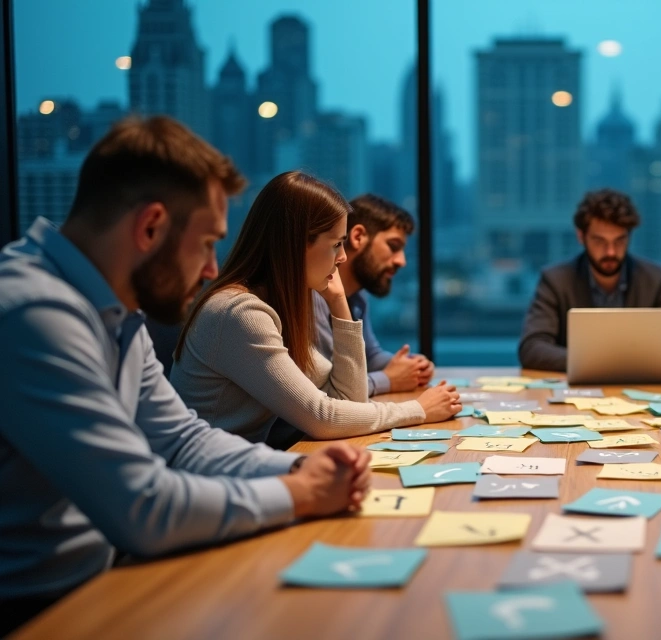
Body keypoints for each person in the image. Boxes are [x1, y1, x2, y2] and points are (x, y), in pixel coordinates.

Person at [0, 116, 370, 634]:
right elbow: (141, 505)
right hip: (39, 610)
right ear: (150, 227)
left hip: (103, 579)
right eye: (205, 243)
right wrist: (301, 494)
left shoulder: (112, 310)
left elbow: (184, 440)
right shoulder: (34, 313)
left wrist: (294, 473)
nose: (212, 269)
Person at [172, 171, 460, 446]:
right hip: (211, 479)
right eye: (336, 245)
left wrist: (339, 305)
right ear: (296, 244)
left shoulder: (277, 305)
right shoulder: (240, 312)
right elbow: (322, 417)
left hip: (240, 468)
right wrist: (418, 410)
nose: (343, 257)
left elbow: (349, 402)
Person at [518, 188, 661, 371]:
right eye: (600, 241)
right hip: (579, 389)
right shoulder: (556, 280)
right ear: (581, 237)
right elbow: (532, 348)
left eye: (619, 241)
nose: (610, 252)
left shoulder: (657, 280)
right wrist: (597, 365)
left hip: (641, 387)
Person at [311, 194, 434, 396]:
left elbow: (370, 357)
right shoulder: (313, 296)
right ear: (358, 237)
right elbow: (327, 392)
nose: (401, 261)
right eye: (393, 246)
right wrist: (389, 379)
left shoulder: (358, 297)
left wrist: (410, 366)